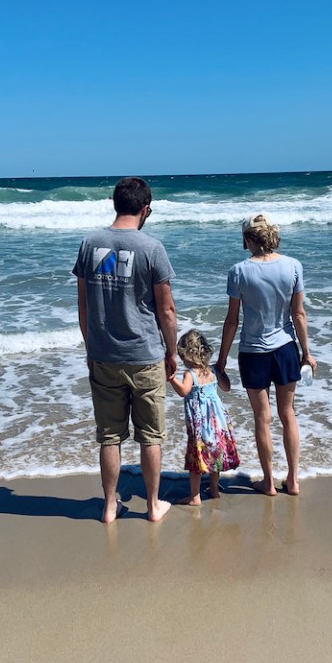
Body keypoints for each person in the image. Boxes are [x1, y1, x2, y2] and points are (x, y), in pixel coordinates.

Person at [73, 177, 177, 523]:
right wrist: (172, 352)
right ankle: (151, 505)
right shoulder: (151, 248)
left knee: (109, 436)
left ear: (114, 203)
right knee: (150, 436)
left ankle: (108, 507)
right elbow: (166, 311)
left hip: (104, 354)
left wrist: (92, 347)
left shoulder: (90, 244)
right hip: (144, 355)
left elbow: (83, 307)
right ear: (145, 209)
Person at [216, 213, 317, 497]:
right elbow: (298, 314)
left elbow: (232, 321)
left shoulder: (239, 271)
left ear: (248, 239)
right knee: (288, 414)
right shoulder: (292, 266)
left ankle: (269, 482)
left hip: (253, 352)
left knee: (263, 417)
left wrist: (221, 361)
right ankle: (294, 480)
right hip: (285, 348)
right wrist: (307, 353)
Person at [168, 330, 240, 505]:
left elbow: (183, 391)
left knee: (196, 459)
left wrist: (171, 379)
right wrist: (222, 372)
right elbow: (227, 387)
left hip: (199, 424)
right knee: (214, 455)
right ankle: (214, 490)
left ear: (187, 355)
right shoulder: (213, 370)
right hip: (217, 422)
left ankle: (195, 496)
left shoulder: (189, 374)